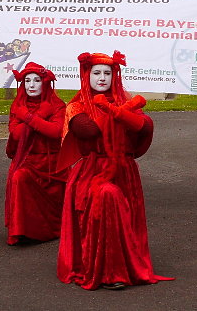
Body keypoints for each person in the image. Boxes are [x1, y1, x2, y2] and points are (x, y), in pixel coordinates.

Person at [57, 51, 172, 290]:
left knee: (123, 216)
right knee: (107, 198)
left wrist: (119, 111)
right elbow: (88, 131)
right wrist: (116, 113)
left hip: (124, 170)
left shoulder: (124, 101)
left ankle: (123, 268)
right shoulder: (76, 106)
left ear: (114, 76)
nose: (102, 78)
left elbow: (144, 126)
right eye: (96, 73)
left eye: (107, 73)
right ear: (86, 75)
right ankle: (107, 271)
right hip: (92, 170)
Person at [5, 62, 67, 245]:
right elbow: (15, 134)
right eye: (27, 81)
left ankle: (47, 230)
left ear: (45, 82)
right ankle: (22, 231)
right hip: (27, 161)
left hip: (53, 164)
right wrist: (37, 116)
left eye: (37, 80)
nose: (31, 85)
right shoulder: (18, 105)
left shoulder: (57, 105)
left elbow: (55, 131)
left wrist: (28, 117)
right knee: (19, 177)